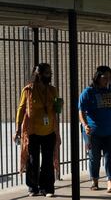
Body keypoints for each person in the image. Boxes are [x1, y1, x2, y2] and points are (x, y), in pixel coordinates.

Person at [14, 63, 61, 197]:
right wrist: (17, 129)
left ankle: (47, 188)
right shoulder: (28, 90)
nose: (50, 75)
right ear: (38, 75)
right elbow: (21, 109)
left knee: (47, 161)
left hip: (49, 130)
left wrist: (58, 106)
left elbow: (56, 110)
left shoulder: (52, 90)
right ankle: (33, 187)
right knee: (33, 160)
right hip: (32, 131)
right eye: (47, 73)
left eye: (50, 72)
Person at [79, 66, 111, 193]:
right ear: (98, 77)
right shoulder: (88, 92)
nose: (108, 80)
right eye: (105, 77)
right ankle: (94, 181)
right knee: (94, 157)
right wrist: (85, 125)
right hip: (93, 132)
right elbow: (81, 111)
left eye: (110, 77)